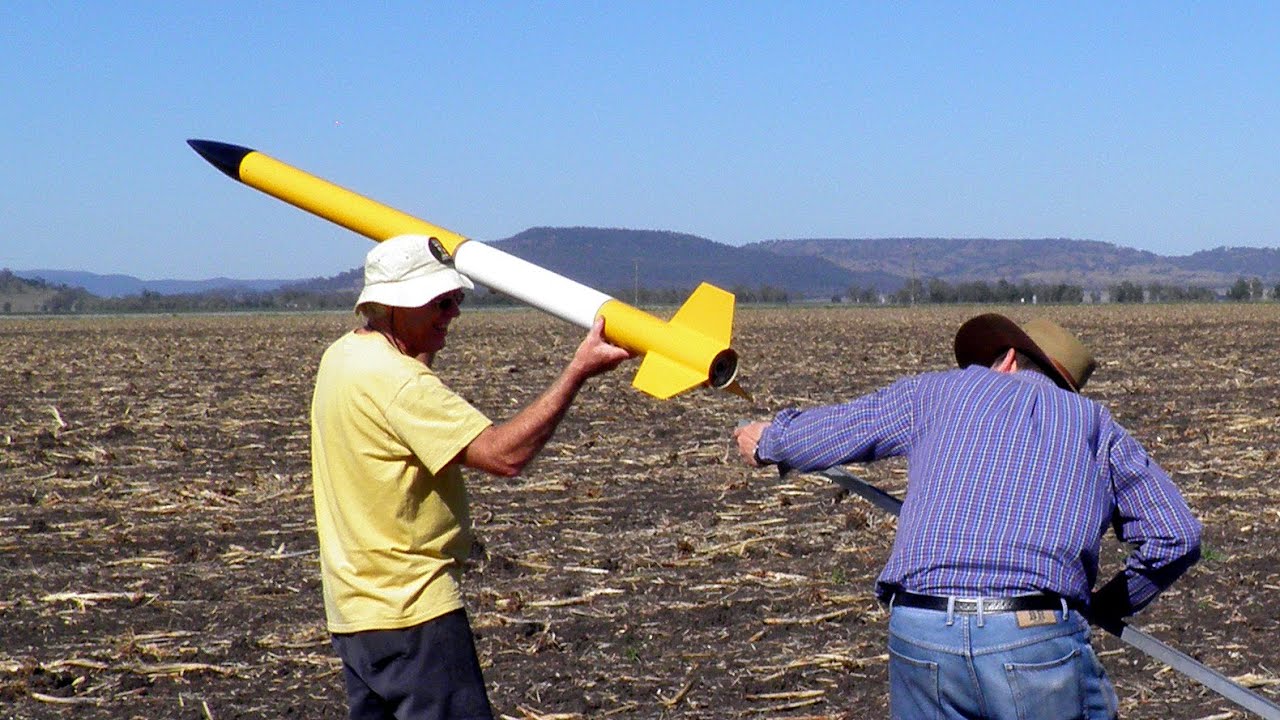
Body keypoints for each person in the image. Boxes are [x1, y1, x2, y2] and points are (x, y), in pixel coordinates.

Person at [733, 313, 1201, 720]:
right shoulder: (1096, 426)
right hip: (1034, 633)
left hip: (921, 626)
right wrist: (1108, 605)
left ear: (1009, 358)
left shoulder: (937, 392)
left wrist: (769, 440)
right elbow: (1175, 537)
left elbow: (837, 430)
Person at [310, 234, 633, 720]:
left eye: (456, 299)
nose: (453, 313)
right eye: (439, 302)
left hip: (355, 614)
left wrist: (425, 342)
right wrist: (577, 373)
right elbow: (505, 456)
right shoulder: (399, 384)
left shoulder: (342, 358)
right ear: (394, 306)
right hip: (414, 614)